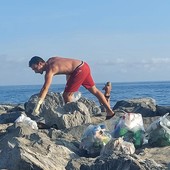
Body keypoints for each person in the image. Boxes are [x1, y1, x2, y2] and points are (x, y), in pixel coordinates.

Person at [29, 56, 115, 120]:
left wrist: (38, 105)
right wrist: (69, 81)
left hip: (79, 70)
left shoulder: (50, 70)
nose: (35, 71)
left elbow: (45, 88)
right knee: (94, 90)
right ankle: (109, 112)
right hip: (84, 65)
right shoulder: (51, 59)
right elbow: (67, 66)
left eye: (35, 68)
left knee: (66, 96)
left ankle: (73, 118)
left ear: (40, 64)